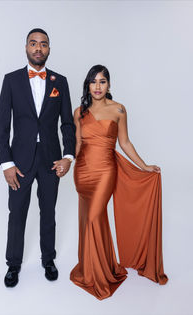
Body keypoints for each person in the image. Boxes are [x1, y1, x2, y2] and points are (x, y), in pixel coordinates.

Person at [70, 65, 168, 300]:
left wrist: (144, 166)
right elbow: (77, 144)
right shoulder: (79, 112)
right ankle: (94, 267)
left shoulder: (119, 110)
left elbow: (124, 143)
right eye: (93, 82)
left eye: (102, 81)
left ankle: (101, 274)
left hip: (105, 171)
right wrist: (66, 163)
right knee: (91, 218)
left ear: (109, 85)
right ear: (87, 85)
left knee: (94, 217)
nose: (97, 86)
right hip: (82, 172)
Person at [0, 28, 76, 287]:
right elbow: (1, 127)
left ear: (49, 49)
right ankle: (13, 264)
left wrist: (68, 156)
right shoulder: (11, 80)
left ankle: (48, 259)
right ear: (26, 47)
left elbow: (66, 124)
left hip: (51, 159)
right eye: (33, 43)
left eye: (43, 44)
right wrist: (6, 163)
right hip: (19, 160)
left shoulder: (59, 82)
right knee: (17, 212)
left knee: (48, 211)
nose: (38, 48)